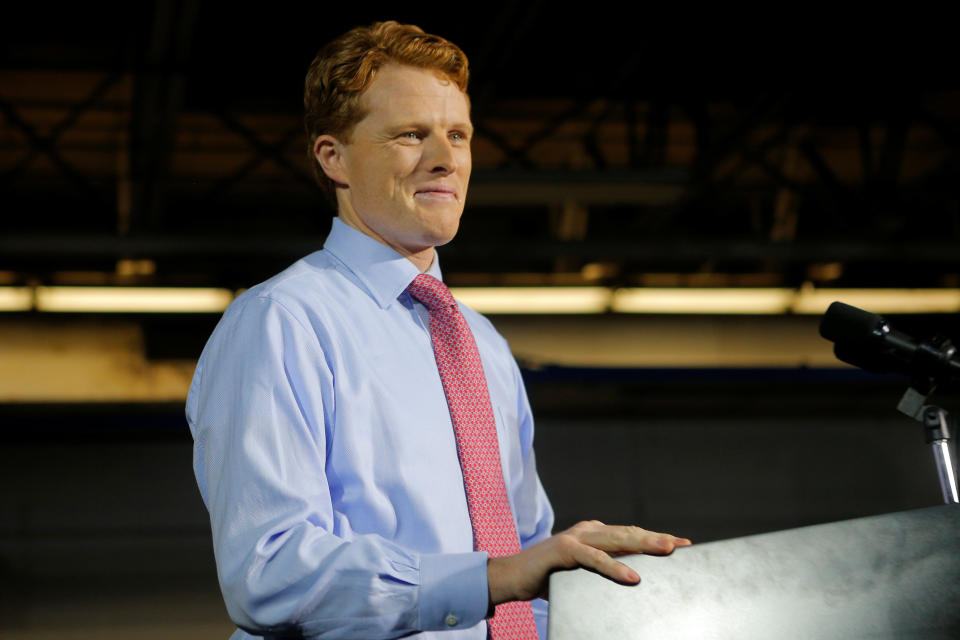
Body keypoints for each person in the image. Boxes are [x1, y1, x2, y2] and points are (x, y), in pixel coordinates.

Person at [186, 20, 690, 640]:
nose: (446, 159)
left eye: (458, 134)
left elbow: (525, 557)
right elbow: (271, 572)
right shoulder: (282, 322)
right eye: (410, 135)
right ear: (333, 158)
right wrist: (495, 578)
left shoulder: (481, 342)